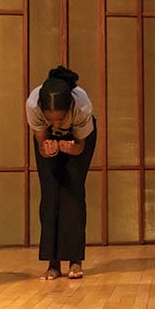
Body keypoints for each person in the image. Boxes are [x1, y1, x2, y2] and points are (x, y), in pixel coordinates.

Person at [26, 66, 97, 280]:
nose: (55, 123)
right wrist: (46, 150)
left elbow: (80, 146)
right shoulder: (33, 105)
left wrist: (71, 148)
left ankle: (75, 260)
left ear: (70, 108)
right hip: (48, 140)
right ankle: (52, 264)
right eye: (51, 119)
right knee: (50, 194)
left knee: (73, 193)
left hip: (78, 140)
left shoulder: (82, 105)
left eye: (60, 118)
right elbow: (41, 144)